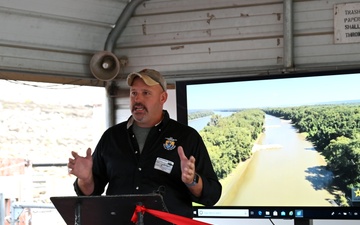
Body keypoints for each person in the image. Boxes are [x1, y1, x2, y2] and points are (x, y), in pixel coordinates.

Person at [67, 68, 222, 219]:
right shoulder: (112, 137)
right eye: (134, 93)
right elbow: (90, 193)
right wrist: (86, 179)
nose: (138, 100)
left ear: (163, 98)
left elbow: (212, 195)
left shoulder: (186, 137)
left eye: (146, 93)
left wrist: (192, 180)